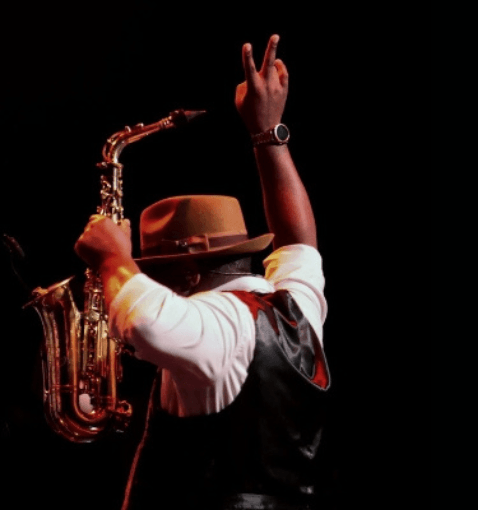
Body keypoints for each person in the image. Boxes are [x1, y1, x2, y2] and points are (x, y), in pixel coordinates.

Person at [73, 34, 330, 510]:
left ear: (189, 278)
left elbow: (146, 320)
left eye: (158, 274)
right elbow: (299, 241)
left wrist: (112, 259)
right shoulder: (292, 308)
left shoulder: (216, 324)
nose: (148, 283)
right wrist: (266, 131)